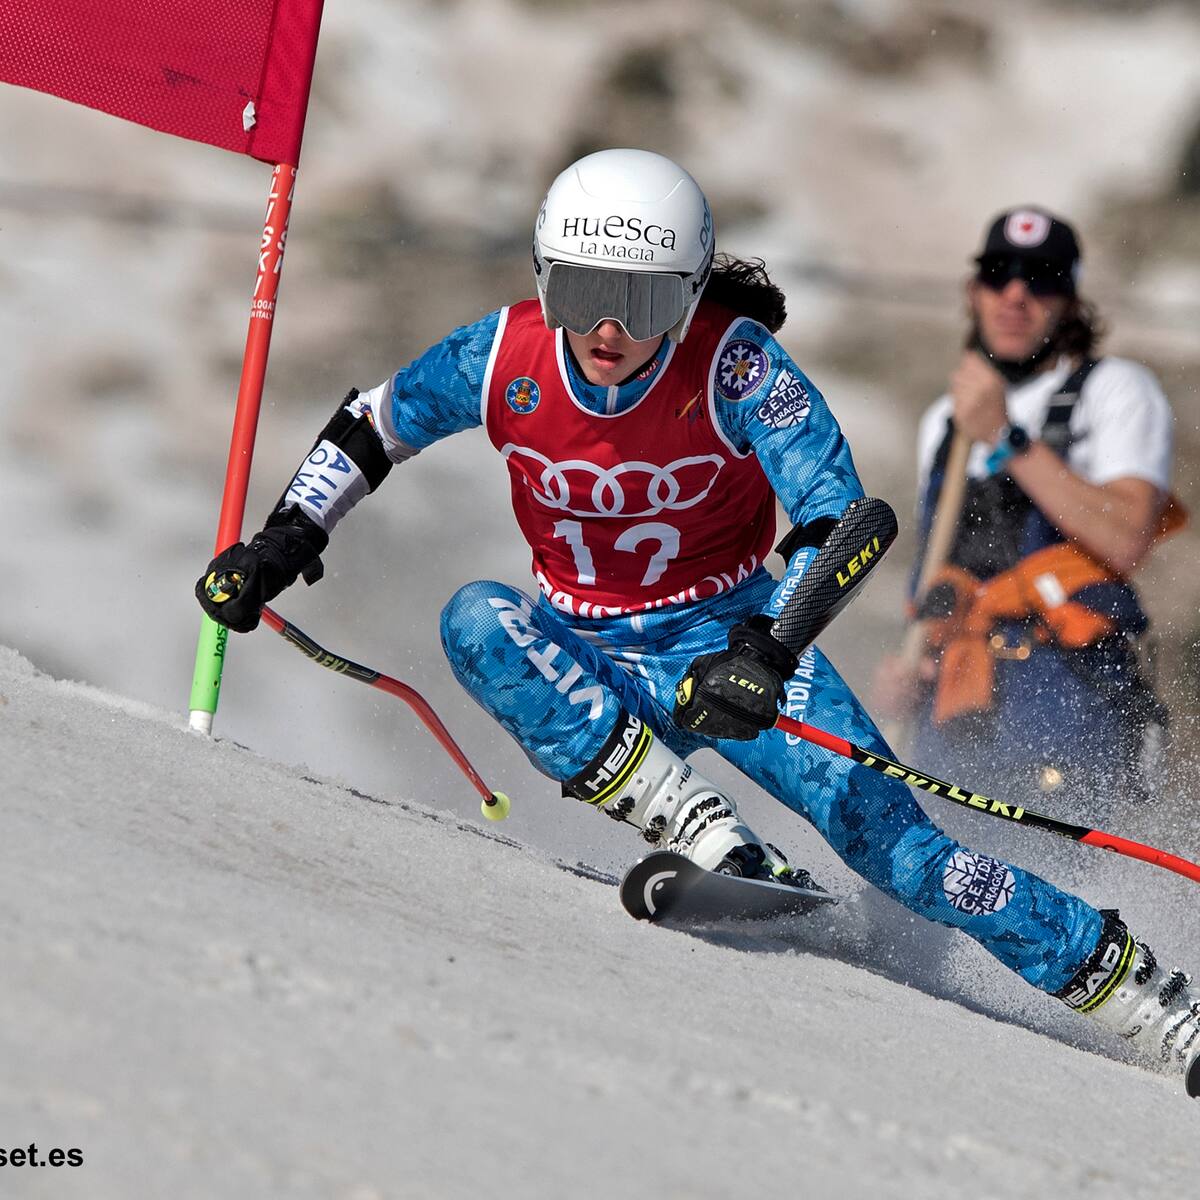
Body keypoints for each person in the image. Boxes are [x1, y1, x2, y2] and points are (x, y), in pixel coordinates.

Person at [196, 151, 1200, 1094]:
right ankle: (707, 836)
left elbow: (845, 519)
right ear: (547, 282)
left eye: (640, 303)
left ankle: (1155, 1005)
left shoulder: (736, 369)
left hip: (736, 649)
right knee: (476, 621)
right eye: (582, 293)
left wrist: (770, 649)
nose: (607, 330)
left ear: (685, 296)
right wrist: (282, 541)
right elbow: (373, 425)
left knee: (908, 859)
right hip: (593, 651)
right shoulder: (501, 353)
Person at [873, 207, 1179, 810]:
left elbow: (1125, 537)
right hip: (955, 717)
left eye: (1040, 277)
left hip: (1071, 707)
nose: (1016, 293)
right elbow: (937, 579)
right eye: (998, 273)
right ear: (973, 291)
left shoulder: (1115, 391)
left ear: (1068, 298)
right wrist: (905, 669)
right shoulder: (945, 421)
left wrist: (1007, 437)